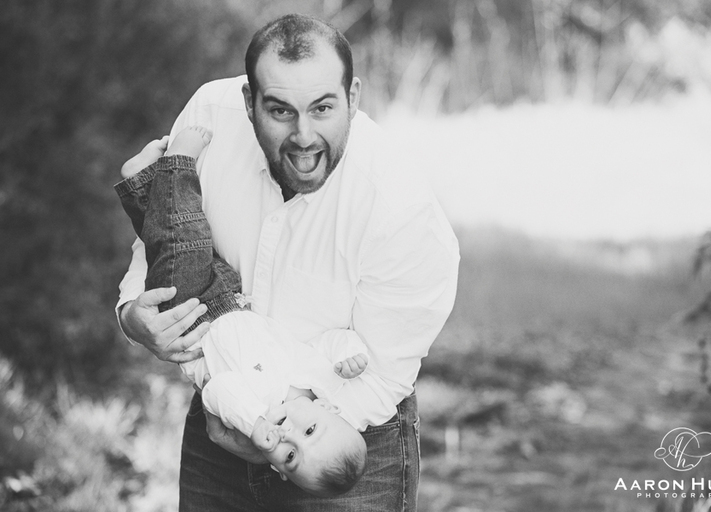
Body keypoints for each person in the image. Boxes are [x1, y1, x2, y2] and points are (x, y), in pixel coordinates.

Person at [116, 13, 460, 511]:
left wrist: (286, 437)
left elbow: (382, 376)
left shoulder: (398, 205)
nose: (304, 137)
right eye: (280, 111)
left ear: (354, 97)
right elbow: (165, 228)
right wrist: (133, 315)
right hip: (222, 420)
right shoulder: (208, 116)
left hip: (346, 434)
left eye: (322, 108)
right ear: (248, 102)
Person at [114, 125, 369, 496]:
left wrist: (253, 424)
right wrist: (350, 353)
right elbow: (330, 343)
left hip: (192, 322)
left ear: (280, 472)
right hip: (230, 299)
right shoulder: (317, 381)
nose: (289, 435)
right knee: (173, 242)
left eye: (290, 456)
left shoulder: (252, 414)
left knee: (181, 241)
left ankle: (177, 162)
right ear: (331, 411)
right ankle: (142, 183)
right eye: (310, 431)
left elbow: (219, 390)